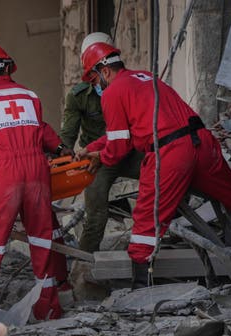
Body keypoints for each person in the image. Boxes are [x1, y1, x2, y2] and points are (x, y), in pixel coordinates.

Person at [76, 41, 231, 288]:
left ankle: (141, 288)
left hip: (170, 152)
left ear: (104, 71)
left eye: (94, 80)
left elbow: (119, 146)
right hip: (202, 143)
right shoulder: (145, 78)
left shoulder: (113, 92)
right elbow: (135, 127)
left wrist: (100, 158)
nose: (96, 86)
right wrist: (93, 147)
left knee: (148, 216)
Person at [0, 44, 72, 320]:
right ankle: (49, 306)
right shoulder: (29, 95)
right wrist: (60, 148)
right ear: (8, 67)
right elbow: (40, 129)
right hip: (37, 169)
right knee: (40, 237)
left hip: (3, 171)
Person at [61, 32, 144, 253]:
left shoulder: (127, 85)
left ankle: (151, 247)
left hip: (127, 151)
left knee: (157, 184)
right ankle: (85, 265)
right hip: (97, 160)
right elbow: (68, 135)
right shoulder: (78, 96)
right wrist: (65, 157)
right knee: (96, 215)